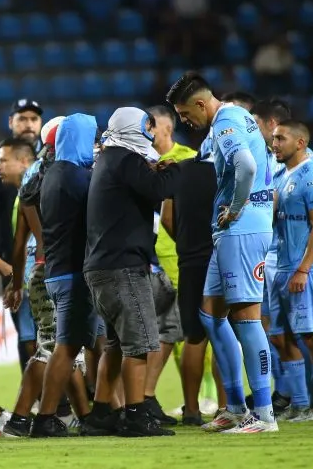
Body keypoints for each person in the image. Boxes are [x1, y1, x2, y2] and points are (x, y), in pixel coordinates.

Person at [167, 71, 277, 433]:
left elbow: (246, 165)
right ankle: (235, 407)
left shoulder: (227, 121)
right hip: (230, 232)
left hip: (242, 229)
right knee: (211, 315)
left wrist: (236, 206)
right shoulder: (229, 119)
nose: (185, 121)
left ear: (201, 103)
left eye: (185, 114)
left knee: (246, 317)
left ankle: (264, 414)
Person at [83, 107, 179, 438]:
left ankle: (101, 413)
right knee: (138, 345)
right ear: (130, 128)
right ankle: (135, 415)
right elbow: (158, 190)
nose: (150, 133)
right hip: (123, 268)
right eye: (145, 126)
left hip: (102, 268)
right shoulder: (125, 159)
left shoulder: (108, 160)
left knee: (114, 345)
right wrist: (175, 168)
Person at [29, 114, 102, 437]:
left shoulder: (52, 173)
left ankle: (100, 411)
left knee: (90, 343)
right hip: (72, 272)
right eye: (92, 137)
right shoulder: (76, 176)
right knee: (67, 347)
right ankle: (45, 418)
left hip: (57, 269)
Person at [268, 121, 313, 421]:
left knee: (312, 336)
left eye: (280, 138)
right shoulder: (280, 175)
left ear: (300, 143)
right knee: (280, 338)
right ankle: (299, 404)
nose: (274, 144)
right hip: (281, 267)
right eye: (273, 138)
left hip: (305, 269)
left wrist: (303, 270)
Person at [160, 138, 225, 426]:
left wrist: (185, 244)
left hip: (189, 262)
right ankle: (227, 407)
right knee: (223, 335)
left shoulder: (180, 170)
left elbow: (166, 218)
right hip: (221, 260)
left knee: (193, 337)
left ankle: (191, 410)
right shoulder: (228, 170)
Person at [0, 98, 43, 370]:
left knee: (51, 335)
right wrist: (0, 263)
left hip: (44, 262)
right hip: (13, 263)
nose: (29, 124)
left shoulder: (50, 158)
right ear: (11, 122)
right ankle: (37, 390)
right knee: (28, 334)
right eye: (22, 119)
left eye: (34, 119)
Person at [146, 105, 194, 424]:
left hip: (179, 260)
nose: (148, 131)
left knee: (177, 333)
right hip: (147, 261)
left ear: (168, 127)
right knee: (157, 333)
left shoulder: (189, 159)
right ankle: (140, 399)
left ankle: (196, 401)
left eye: (153, 125)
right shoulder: (140, 162)